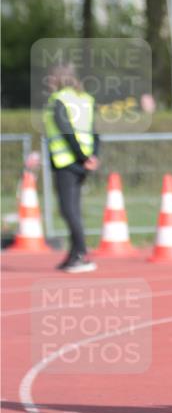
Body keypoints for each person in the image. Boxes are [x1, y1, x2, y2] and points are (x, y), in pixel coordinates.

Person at [43, 64, 100, 272]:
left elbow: (66, 130)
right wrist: (92, 156)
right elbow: (94, 132)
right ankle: (73, 254)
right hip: (82, 162)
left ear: (57, 79)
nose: (48, 82)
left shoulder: (59, 100)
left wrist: (82, 157)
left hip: (67, 161)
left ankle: (81, 254)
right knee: (73, 209)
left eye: (50, 78)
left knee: (68, 210)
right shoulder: (85, 99)